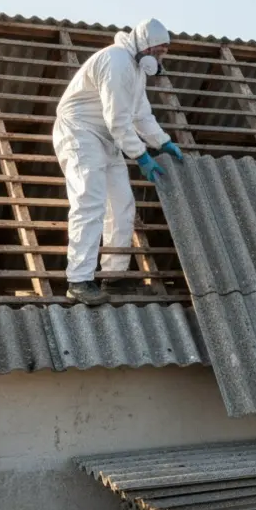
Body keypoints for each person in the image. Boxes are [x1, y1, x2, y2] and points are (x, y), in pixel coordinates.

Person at [53, 18, 184, 306]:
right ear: (145, 44)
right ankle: (79, 279)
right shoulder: (116, 61)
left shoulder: (136, 70)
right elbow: (118, 120)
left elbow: (140, 114)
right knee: (90, 201)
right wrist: (141, 156)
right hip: (80, 132)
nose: (160, 58)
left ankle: (113, 273)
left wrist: (162, 141)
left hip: (107, 138)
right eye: (159, 51)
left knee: (123, 203)